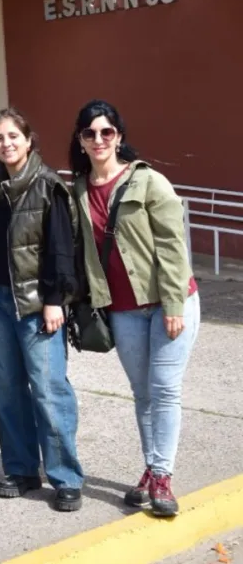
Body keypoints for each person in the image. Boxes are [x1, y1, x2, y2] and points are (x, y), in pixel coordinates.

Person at [69, 100, 200, 517]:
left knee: (164, 389)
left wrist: (174, 304)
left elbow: (173, 247)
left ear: (119, 137)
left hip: (168, 303)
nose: (99, 139)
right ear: (81, 140)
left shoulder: (149, 182)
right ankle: (151, 468)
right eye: (90, 133)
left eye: (106, 132)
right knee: (142, 394)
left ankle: (161, 477)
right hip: (123, 310)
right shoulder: (78, 191)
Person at [0, 107, 84, 512]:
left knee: (49, 390)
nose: (6, 144)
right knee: (3, 385)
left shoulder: (48, 185)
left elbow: (61, 248)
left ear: (29, 139)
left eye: (12, 136)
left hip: (37, 304)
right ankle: (20, 469)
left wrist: (56, 300)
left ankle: (66, 477)